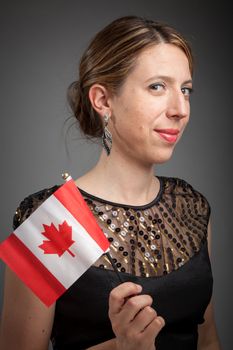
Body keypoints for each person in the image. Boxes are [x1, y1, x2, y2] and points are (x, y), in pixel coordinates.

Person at [0, 15, 221, 350]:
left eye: (185, 89)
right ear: (103, 101)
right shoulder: (51, 220)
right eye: (157, 86)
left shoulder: (191, 207)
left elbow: (207, 341)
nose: (180, 109)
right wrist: (119, 347)